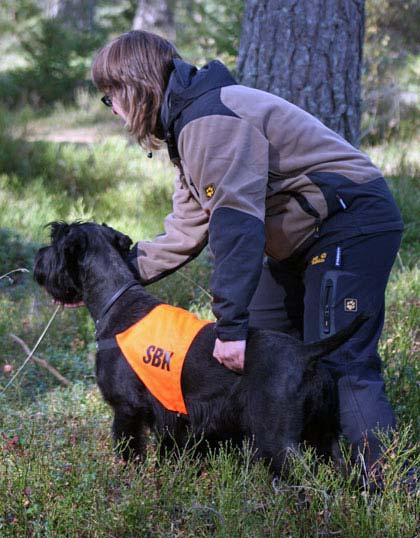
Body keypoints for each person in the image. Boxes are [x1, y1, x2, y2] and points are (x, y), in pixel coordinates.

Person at [91, 30, 404, 477]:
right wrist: (106, 275)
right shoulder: (188, 127)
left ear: (134, 86)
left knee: (342, 363)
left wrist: (230, 325)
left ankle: (389, 486)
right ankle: (301, 474)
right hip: (299, 239)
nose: (115, 111)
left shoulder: (210, 120)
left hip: (349, 224)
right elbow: (185, 230)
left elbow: (236, 228)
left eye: (111, 98)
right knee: (263, 362)